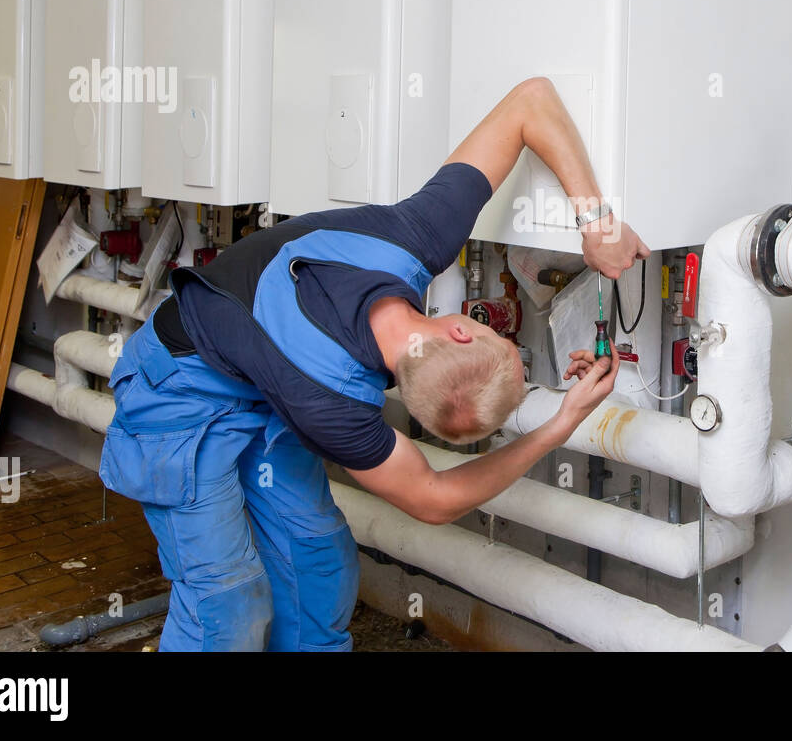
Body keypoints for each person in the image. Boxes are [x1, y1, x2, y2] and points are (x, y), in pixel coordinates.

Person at [99, 76, 651, 651]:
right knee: (228, 602)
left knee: (318, 567)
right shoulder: (332, 407)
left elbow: (530, 101)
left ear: (461, 332)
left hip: (265, 386)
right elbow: (433, 500)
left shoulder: (415, 237)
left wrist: (599, 225)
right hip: (179, 394)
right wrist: (559, 425)